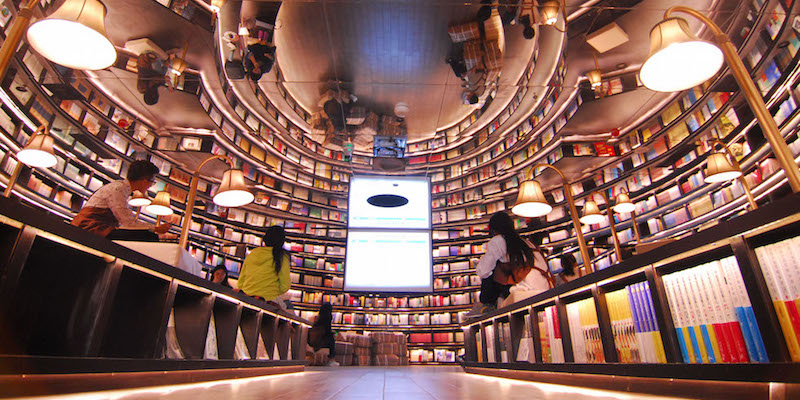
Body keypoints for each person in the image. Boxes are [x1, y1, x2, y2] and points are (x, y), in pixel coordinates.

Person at [469, 212, 551, 315]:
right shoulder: (525, 242)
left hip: (527, 288)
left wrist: (482, 261)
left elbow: (482, 271)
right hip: (544, 287)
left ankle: (486, 304)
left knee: (491, 269)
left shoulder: (498, 241)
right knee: (497, 265)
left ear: (493, 230)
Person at [72, 160, 170, 240]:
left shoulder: (121, 188)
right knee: (149, 237)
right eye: (152, 182)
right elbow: (127, 222)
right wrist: (156, 228)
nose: (150, 186)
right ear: (145, 180)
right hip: (91, 228)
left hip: (99, 228)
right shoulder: (118, 190)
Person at [237, 226, 291, 308]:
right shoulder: (282, 257)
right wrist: (272, 292)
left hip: (246, 298)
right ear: (282, 242)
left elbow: (240, 282)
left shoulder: (253, 253)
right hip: (268, 301)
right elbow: (285, 286)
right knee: (288, 306)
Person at [307, 302, 339, 366]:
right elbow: (327, 331)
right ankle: (331, 359)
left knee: (330, 337)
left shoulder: (317, 318)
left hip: (312, 340)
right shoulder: (328, 318)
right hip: (320, 341)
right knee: (331, 339)